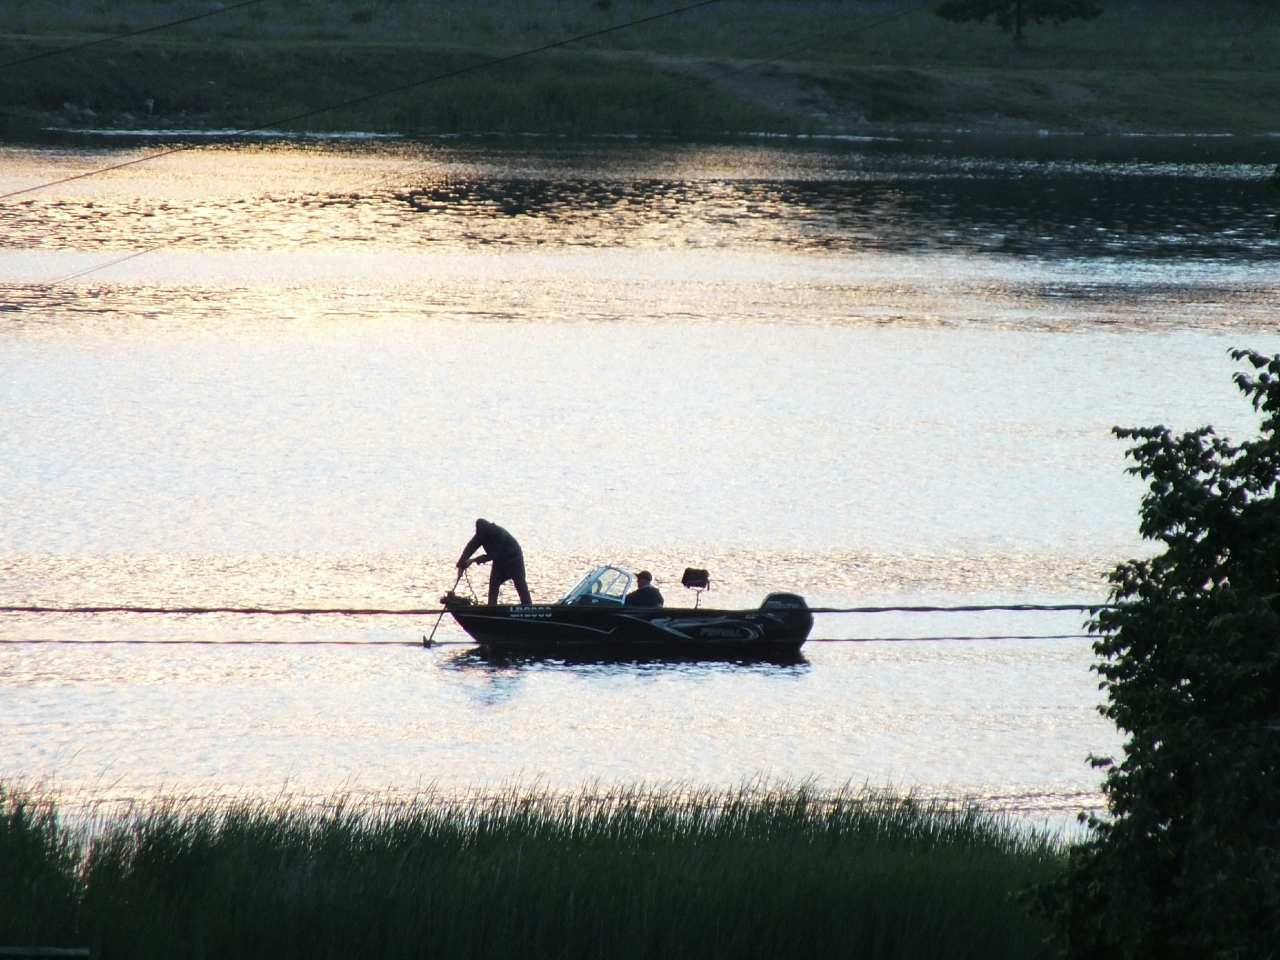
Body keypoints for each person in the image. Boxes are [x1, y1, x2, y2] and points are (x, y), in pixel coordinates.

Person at [457, 518, 532, 605]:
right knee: (494, 584)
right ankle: (491, 607)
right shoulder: (481, 534)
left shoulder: (499, 534)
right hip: (499, 561)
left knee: (520, 582)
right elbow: (470, 547)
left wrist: (473, 560)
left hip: (513, 559)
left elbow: (492, 555)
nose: (482, 538)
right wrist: (461, 564)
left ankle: (528, 606)